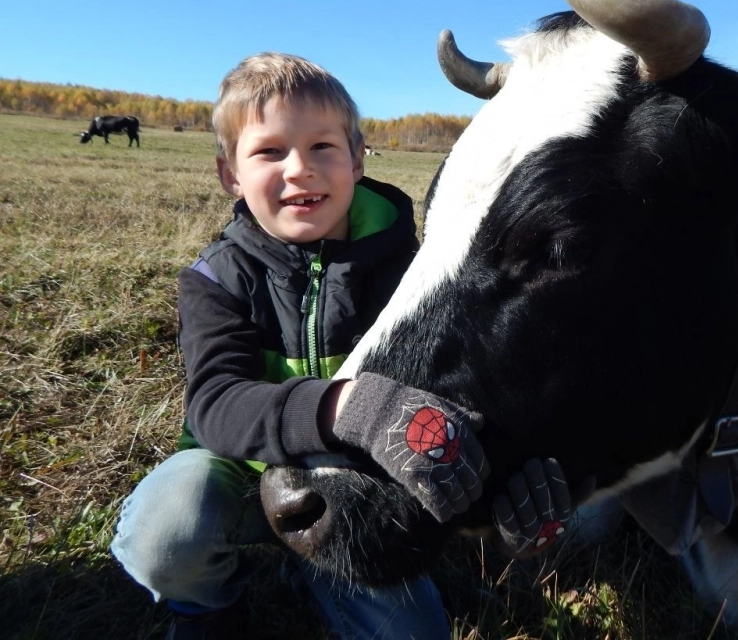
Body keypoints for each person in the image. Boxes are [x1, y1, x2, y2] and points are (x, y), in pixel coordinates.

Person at [111, 52, 573, 640]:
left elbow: (463, 390)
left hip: (356, 490)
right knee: (168, 529)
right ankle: (208, 607)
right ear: (229, 173)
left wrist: (506, 490)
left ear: (357, 160)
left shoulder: (417, 271)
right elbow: (216, 403)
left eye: (322, 147)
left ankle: (326, 568)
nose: (300, 170)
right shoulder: (214, 280)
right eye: (270, 151)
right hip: (238, 471)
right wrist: (349, 407)